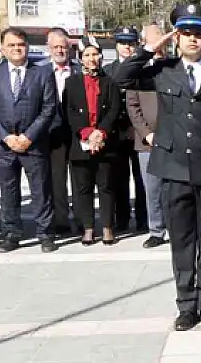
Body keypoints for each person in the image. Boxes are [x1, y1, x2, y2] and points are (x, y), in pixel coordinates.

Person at [111, 4, 201, 331]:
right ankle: (186, 305)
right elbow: (119, 77)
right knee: (182, 241)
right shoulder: (162, 70)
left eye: (199, 34)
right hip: (173, 168)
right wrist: (150, 48)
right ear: (176, 37)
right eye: (185, 33)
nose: (192, 39)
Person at [0, 27, 60, 253]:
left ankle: (45, 233)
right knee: (8, 191)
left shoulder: (42, 73)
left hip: (33, 144)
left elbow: (49, 108)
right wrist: (5, 137)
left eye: (21, 45)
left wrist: (28, 136)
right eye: (12, 45)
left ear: (27, 47)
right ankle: (11, 233)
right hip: (4, 145)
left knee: (41, 190)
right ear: (3, 48)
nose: (17, 49)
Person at [65, 39, 122, 245]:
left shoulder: (110, 82)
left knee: (106, 186)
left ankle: (107, 227)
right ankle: (88, 227)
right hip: (81, 143)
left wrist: (101, 132)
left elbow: (114, 109)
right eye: (87, 55)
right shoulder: (71, 83)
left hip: (104, 143)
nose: (92, 59)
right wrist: (87, 132)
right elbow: (69, 111)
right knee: (83, 188)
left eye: (95, 54)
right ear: (81, 59)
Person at [127, 24, 169, 248]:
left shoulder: (174, 67)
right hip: (148, 141)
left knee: (175, 187)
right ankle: (156, 230)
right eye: (153, 41)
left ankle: (177, 226)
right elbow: (132, 107)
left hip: (175, 139)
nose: (158, 45)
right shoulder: (138, 71)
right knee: (152, 188)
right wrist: (146, 133)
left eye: (161, 39)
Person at [107, 25, 148, 233]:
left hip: (141, 131)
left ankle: (143, 218)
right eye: (123, 43)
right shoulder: (109, 70)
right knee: (119, 178)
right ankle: (121, 219)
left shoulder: (144, 68)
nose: (127, 47)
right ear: (116, 45)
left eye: (131, 43)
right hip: (117, 132)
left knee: (142, 178)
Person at [45, 27, 76, 236]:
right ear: (49, 48)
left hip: (77, 132)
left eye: (63, 47)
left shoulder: (80, 70)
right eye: (55, 47)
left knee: (80, 178)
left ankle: (84, 220)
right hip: (53, 133)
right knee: (57, 180)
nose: (59, 50)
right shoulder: (40, 72)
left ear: (69, 48)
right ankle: (61, 220)